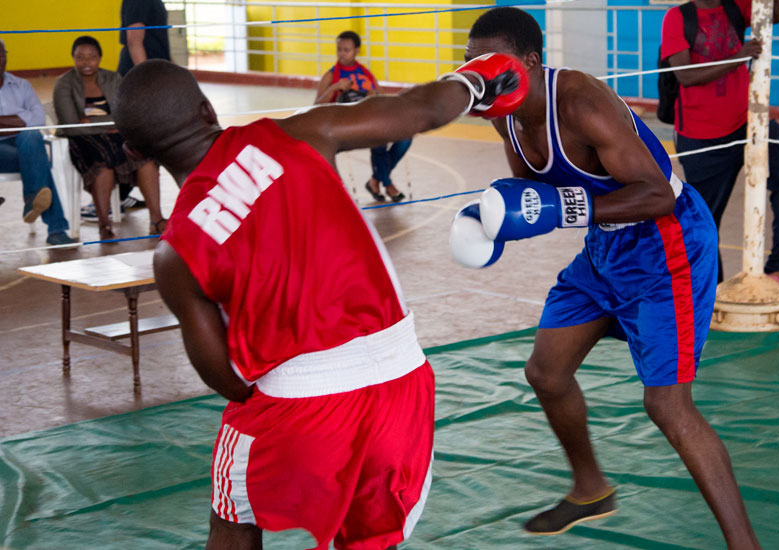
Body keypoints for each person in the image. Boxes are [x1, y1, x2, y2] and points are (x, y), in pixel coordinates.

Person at [112, 58, 526, 549]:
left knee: (232, 514)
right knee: (371, 538)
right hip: (402, 380)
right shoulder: (297, 133)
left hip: (301, 400)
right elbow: (418, 111)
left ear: (134, 150)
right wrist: (475, 81)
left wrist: (302, 398)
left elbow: (222, 375)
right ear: (207, 109)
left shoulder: (175, 254)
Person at [459, 7, 761, 548]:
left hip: (666, 241)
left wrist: (560, 211)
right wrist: (494, 222)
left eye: (494, 65)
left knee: (667, 404)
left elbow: (658, 194)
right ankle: (590, 488)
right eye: (472, 66)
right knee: (546, 373)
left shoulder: (579, 101)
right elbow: (538, 194)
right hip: (606, 247)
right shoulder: (505, 112)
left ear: (531, 61)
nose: (482, 81)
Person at [661, 0, 779, 301]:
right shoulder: (678, 17)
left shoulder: (736, 6)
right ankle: (711, 293)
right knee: (704, 220)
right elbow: (686, 75)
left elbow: (778, 12)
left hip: (749, 120)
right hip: (701, 135)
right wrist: (738, 56)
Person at [53, 36, 165, 240]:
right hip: (82, 141)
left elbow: (126, 114)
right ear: (73, 58)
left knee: (145, 158)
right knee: (101, 163)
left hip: (116, 136)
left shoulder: (113, 78)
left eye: (92, 57)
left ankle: (156, 220)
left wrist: (92, 120)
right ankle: (104, 225)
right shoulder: (64, 84)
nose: (86, 62)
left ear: (100, 58)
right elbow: (72, 125)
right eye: (80, 57)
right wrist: (110, 122)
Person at [78, 0, 173, 222]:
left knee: (148, 142)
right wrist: (148, 81)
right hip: (140, 78)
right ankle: (108, 200)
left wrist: (174, 73)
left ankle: (120, 196)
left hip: (152, 73)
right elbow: (134, 40)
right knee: (136, 140)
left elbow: (159, 43)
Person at [315, 30, 411, 203]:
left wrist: (372, 95)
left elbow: (381, 99)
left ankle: (375, 181)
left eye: (346, 50)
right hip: (344, 125)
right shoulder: (331, 75)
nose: (342, 54)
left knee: (405, 138)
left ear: (357, 50)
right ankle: (388, 185)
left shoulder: (365, 73)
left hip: (368, 119)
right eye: (339, 49)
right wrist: (334, 88)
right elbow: (316, 107)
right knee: (379, 142)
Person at [0, 39, 76, 246]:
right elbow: (29, 118)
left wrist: (9, 121)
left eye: (2, 53)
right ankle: (56, 229)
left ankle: (32, 200)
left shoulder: (21, 85)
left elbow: (38, 118)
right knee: (37, 160)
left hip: (22, 144)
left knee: (32, 137)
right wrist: (20, 118)